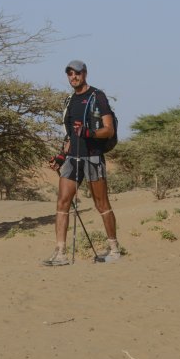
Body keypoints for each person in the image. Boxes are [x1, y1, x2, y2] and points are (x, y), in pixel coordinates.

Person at [43, 59, 121, 266]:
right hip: (72, 159)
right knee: (62, 202)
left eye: (76, 73)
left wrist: (88, 132)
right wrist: (60, 157)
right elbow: (69, 137)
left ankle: (114, 249)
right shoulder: (69, 102)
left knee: (101, 204)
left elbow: (109, 130)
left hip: (93, 157)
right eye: (69, 74)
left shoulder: (98, 97)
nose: (73, 77)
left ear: (85, 73)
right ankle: (60, 253)